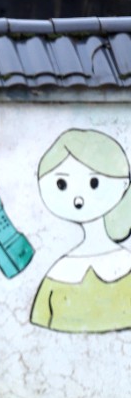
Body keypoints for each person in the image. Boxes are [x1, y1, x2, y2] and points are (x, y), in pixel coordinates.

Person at [30, 128, 131, 333]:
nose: (78, 199)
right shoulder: (59, 273)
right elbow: (39, 327)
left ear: (123, 184)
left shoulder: (125, 266)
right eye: (61, 184)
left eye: (94, 182)